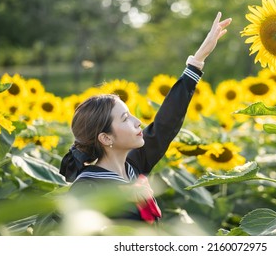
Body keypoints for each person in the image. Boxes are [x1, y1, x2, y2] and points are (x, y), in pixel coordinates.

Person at [59, 12, 232, 225]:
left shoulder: (133, 166)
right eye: (125, 119)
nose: (137, 121)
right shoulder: (87, 188)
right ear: (105, 138)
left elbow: (165, 124)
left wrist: (197, 60)